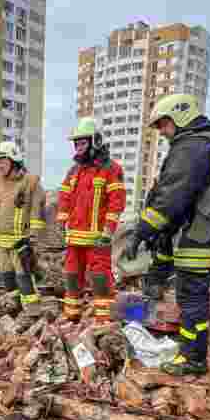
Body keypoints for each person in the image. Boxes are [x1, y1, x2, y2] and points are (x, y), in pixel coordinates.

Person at [125, 94, 210, 375]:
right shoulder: (200, 144)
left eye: (164, 125)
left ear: (180, 117)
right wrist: (156, 234)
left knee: (191, 297)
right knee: (162, 279)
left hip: (198, 236)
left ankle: (192, 358)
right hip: (189, 230)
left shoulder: (192, 147)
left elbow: (171, 196)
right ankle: (142, 321)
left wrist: (143, 232)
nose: (163, 133)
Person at [57, 117, 126, 323]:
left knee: (100, 279)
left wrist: (108, 231)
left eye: (82, 143)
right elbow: (64, 197)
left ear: (95, 141)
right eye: (76, 144)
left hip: (98, 239)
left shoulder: (111, 169)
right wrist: (61, 221)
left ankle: (103, 321)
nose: (78, 148)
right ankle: (72, 317)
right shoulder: (74, 171)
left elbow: (117, 202)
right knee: (71, 276)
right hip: (75, 238)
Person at [0, 140, 46, 318]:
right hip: (2, 242)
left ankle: (33, 313)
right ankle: (15, 311)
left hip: (19, 242)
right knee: (8, 278)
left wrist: (32, 239)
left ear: (14, 160)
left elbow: (38, 212)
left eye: (3, 160)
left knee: (24, 279)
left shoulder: (30, 182)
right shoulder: (1, 184)